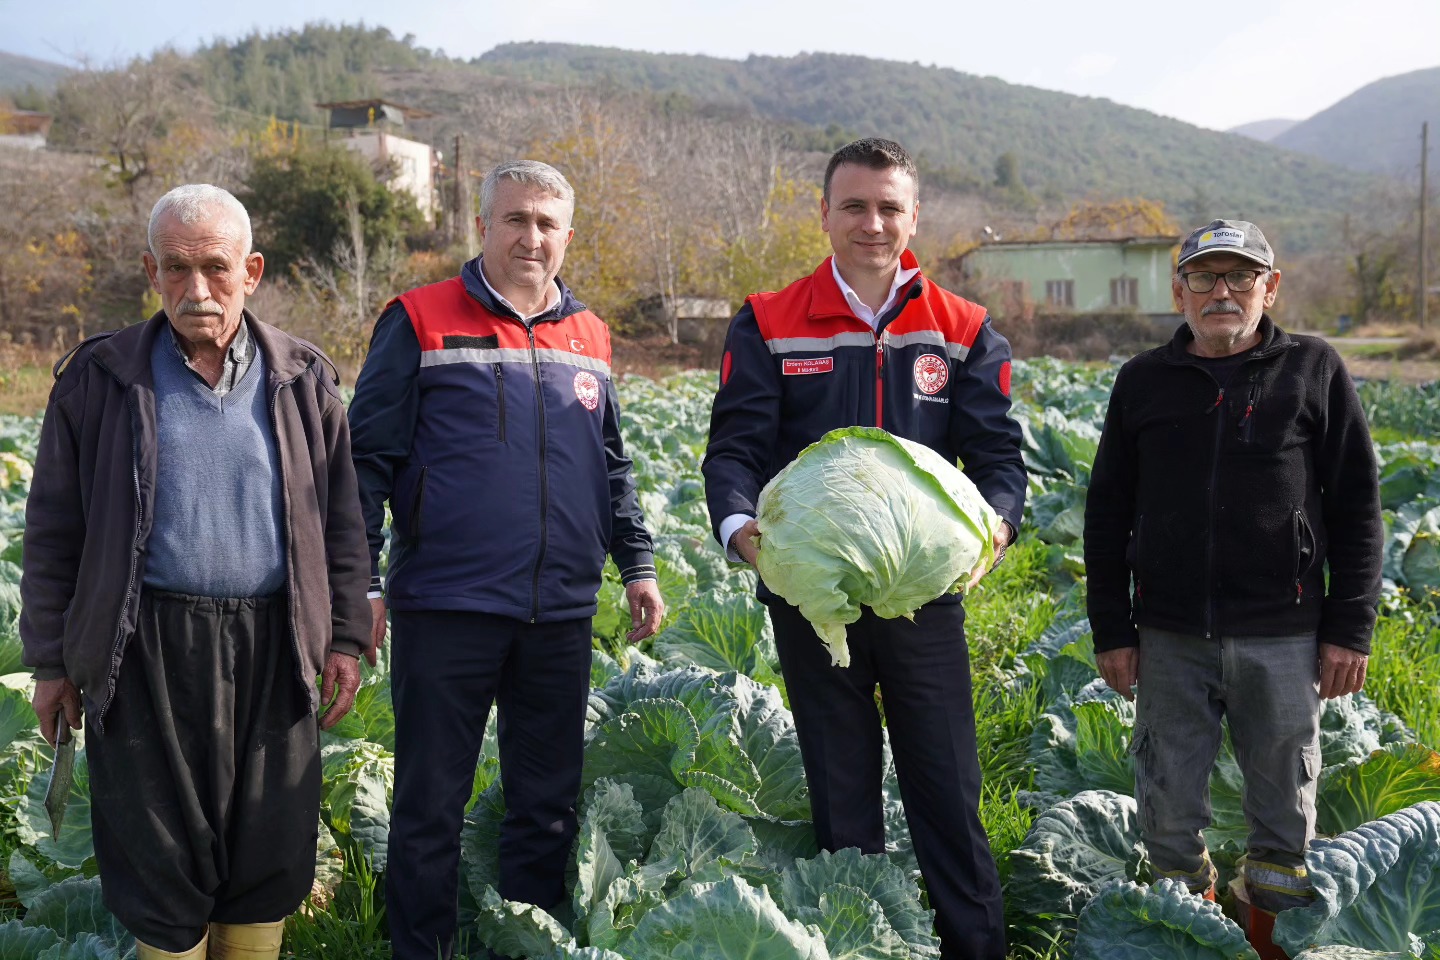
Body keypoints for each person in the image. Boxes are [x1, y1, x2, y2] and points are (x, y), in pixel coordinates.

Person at [20, 184, 372, 960]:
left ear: (251, 269)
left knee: (266, 850)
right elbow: (51, 533)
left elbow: (342, 526)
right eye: (176, 268)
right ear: (151, 270)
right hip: (141, 647)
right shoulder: (99, 381)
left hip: (277, 646)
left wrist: (344, 636)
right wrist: (50, 660)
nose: (197, 288)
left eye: (215, 267)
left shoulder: (303, 381)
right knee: (157, 859)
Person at [702, 138, 1024, 960]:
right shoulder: (770, 320)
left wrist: (993, 527)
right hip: (814, 597)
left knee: (947, 792)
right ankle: (864, 944)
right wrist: (741, 530)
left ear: (913, 218)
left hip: (921, 593)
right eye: (854, 205)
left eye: (889, 207)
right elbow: (734, 448)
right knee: (841, 793)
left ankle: (971, 949)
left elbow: (997, 461)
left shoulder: (961, 328)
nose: (872, 223)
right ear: (825, 214)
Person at [348, 159, 663, 960]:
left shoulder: (589, 335)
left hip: (558, 611)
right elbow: (364, 463)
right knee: (429, 806)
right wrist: (365, 582)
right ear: (483, 225)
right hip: (448, 607)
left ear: (566, 235)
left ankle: (525, 945)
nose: (531, 237)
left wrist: (637, 564)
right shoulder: (418, 319)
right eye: (515, 219)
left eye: (547, 223)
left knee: (547, 804)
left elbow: (612, 463)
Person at [1084, 219, 1383, 959]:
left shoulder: (1313, 369)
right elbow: (1106, 512)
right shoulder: (1143, 380)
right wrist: (1112, 630)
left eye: (1240, 277)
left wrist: (1350, 628)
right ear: (1177, 290)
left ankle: (1271, 944)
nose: (1224, 292)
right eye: (1207, 277)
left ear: (1269, 288)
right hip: (1169, 637)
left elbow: (1357, 506)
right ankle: (1194, 938)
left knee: (1285, 820)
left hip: (1284, 636)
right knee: (1167, 812)